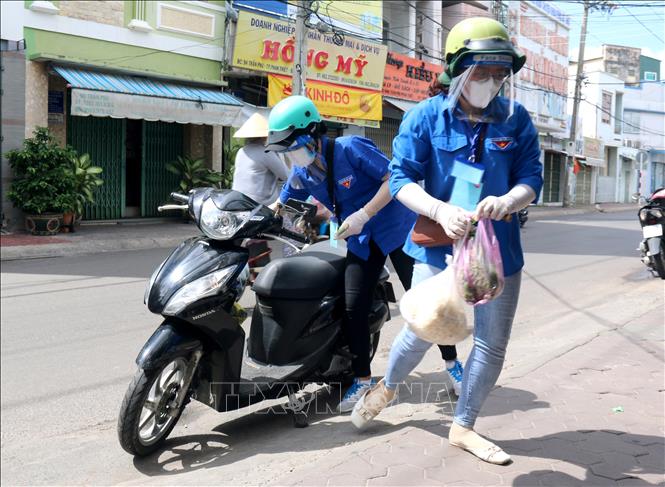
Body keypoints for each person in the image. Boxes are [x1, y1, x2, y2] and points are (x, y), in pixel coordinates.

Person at [351, 17, 543, 466]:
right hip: (438, 248)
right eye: (482, 71)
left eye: (500, 73)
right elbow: (400, 180)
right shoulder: (423, 117)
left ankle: (464, 425)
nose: (491, 81)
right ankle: (389, 387)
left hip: (496, 254)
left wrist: (509, 200)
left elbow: (532, 177)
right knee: (423, 328)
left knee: (492, 343)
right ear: (457, 70)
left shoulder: (515, 120)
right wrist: (439, 210)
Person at [264, 95, 417, 413]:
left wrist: (364, 212)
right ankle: (362, 379)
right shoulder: (302, 173)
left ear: (312, 132)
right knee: (353, 305)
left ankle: (452, 363)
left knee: (423, 302)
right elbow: (281, 203)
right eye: (284, 149)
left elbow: (394, 180)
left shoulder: (350, 148)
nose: (290, 154)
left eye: (292, 145)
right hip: (360, 238)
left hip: (396, 228)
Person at [232, 113, 290, 206]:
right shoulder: (265, 152)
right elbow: (287, 176)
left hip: (237, 199)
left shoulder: (241, 151)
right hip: (257, 204)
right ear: (266, 136)